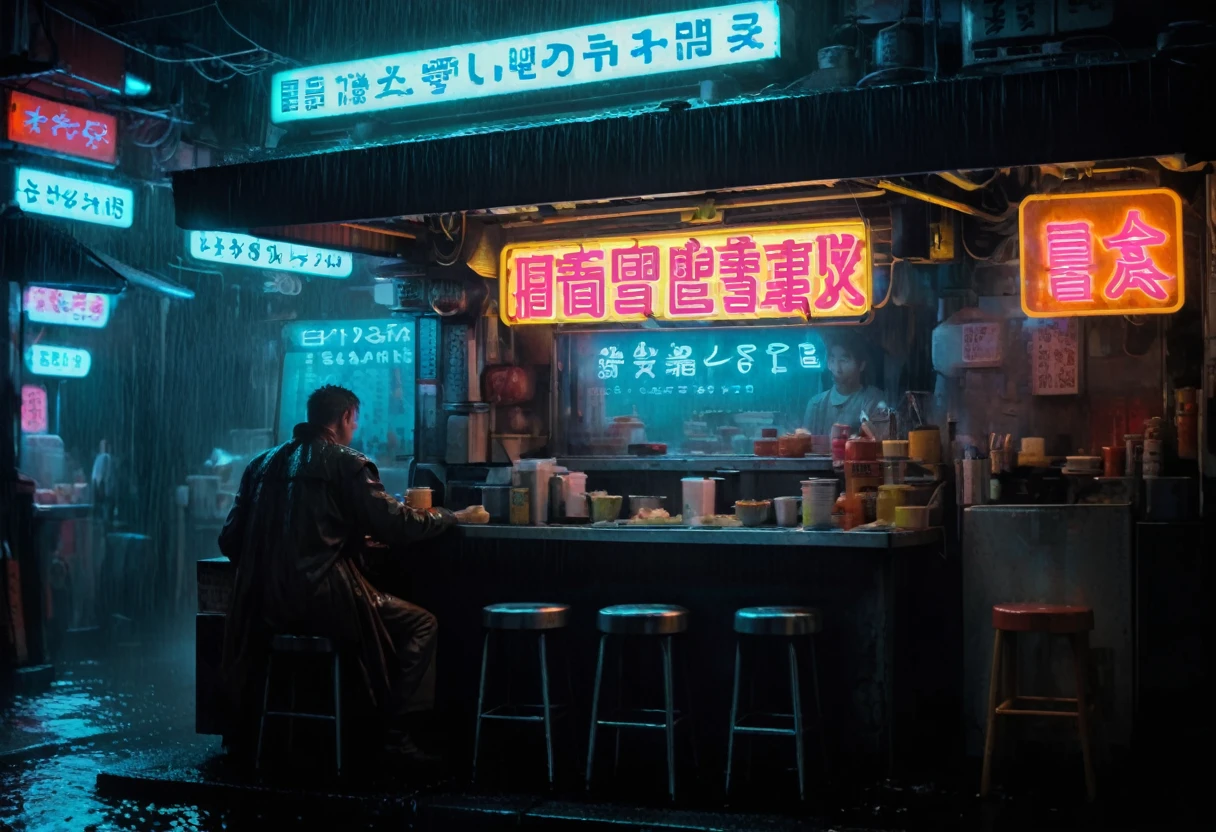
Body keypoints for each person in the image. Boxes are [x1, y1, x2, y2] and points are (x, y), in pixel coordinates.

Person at [218, 384, 474, 767]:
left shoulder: (260, 466)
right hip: (325, 600)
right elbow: (398, 525)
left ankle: (271, 736)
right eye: (355, 421)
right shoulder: (347, 463)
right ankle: (395, 737)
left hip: (264, 606)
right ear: (345, 418)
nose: (355, 428)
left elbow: (228, 540)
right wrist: (450, 516)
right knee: (422, 624)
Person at [803, 333, 887, 436]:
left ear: (861, 365)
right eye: (832, 360)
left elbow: (880, 443)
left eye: (844, 361)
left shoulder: (874, 400)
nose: (837, 369)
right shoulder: (816, 405)